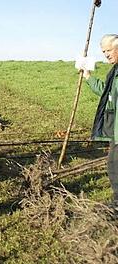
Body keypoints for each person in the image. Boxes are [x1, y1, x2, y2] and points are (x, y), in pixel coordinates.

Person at [81, 34, 118, 206]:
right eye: (104, 52)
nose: (106, 55)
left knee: (114, 165)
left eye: (108, 50)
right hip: (115, 130)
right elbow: (107, 93)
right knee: (113, 164)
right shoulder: (115, 71)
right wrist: (88, 76)